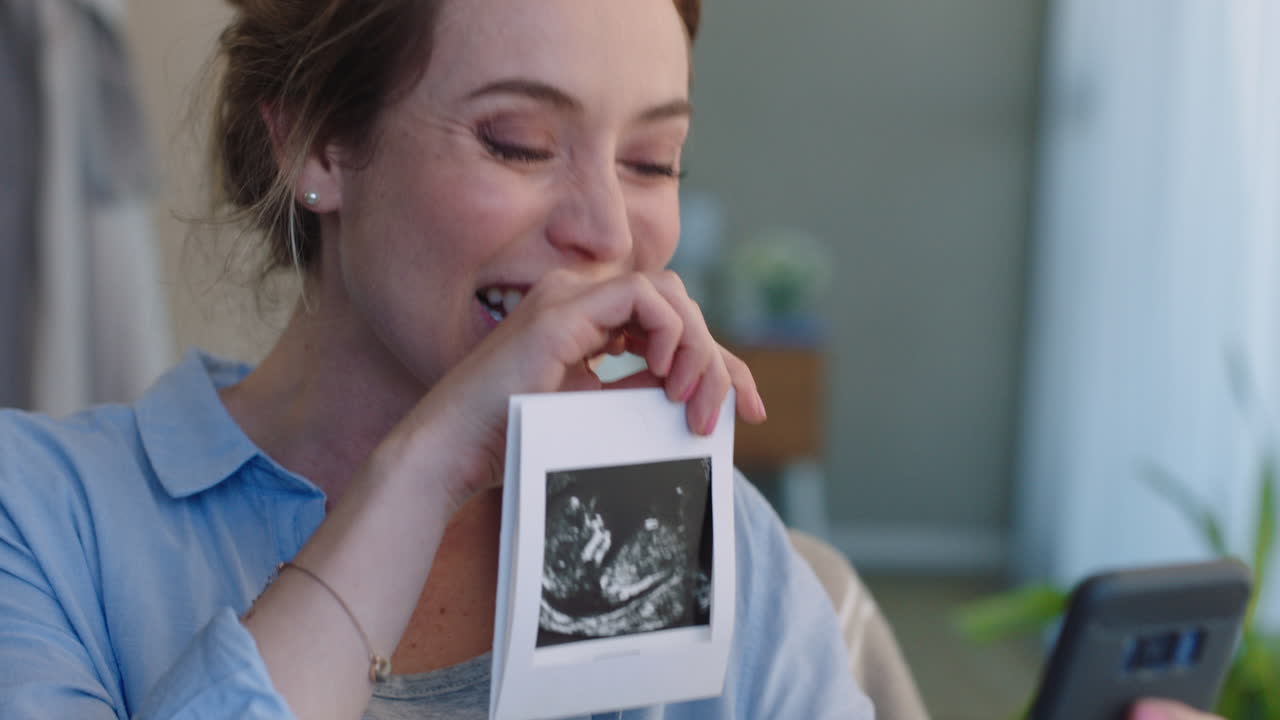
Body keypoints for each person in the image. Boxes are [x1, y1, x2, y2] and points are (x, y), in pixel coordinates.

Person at [0, 2, 1233, 719]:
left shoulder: (712, 542)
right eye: (519, 142)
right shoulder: (44, 518)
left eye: (650, 161)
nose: (607, 228)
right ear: (320, 145)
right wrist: (422, 466)